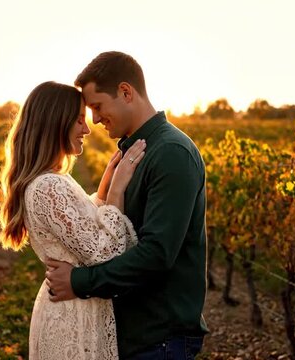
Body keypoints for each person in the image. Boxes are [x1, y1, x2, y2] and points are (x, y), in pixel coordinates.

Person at [45, 51, 209, 359]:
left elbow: (156, 254)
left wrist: (79, 282)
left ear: (125, 92)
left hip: (159, 338)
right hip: (137, 334)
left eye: (97, 106)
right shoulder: (134, 151)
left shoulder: (171, 153)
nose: (94, 119)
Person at [0, 81, 147, 359]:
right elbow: (106, 253)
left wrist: (101, 194)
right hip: (73, 317)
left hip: (72, 309)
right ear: (56, 123)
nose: (88, 129)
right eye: (79, 120)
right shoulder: (50, 186)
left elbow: (79, 231)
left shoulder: (51, 181)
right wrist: (116, 192)